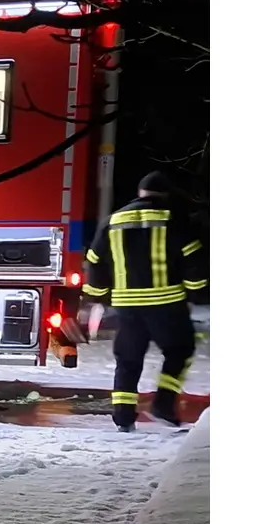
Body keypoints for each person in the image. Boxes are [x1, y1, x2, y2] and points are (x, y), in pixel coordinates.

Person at [82, 170, 209, 431]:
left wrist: (98, 294)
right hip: (167, 304)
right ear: (165, 194)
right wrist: (197, 292)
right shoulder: (172, 219)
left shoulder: (113, 221)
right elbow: (192, 258)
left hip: (127, 307)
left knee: (128, 360)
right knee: (180, 350)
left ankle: (123, 418)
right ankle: (162, 404)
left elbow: (94, 260)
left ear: (140, 193)